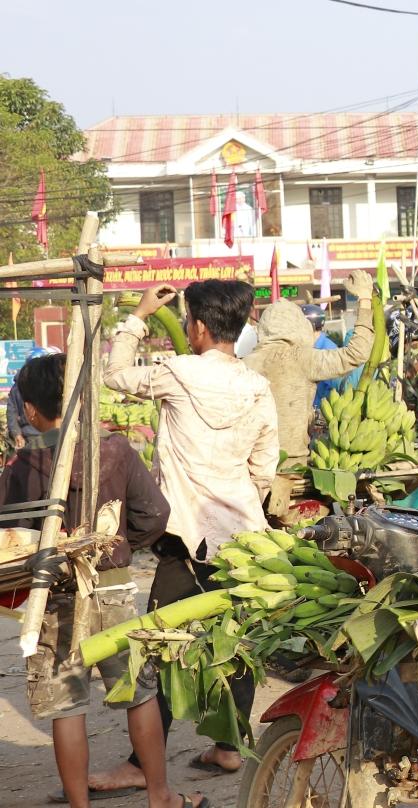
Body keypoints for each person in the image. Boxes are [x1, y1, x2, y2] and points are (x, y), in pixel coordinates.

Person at [3, 355, 200, 808]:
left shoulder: (23, 467)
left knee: (66, 707)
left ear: (31, 410)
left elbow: (9, 537)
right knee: (137, 694)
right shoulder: (115, 450)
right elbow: (155, 514)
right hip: (113, 586)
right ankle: (159, 795)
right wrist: (118, 547)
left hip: (52, 597)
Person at [102, 279, 279, 779]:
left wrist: (139, 316)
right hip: (242, 537)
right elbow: (265, 466)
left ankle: (143, 763)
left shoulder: (176, 374)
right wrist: (241, 509)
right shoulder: (256, 386)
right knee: (235, 641)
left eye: (187, 320)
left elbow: (114, 376)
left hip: (183, 539)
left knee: (159, 644)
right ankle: (228, 746)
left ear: (198, 327)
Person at [245, 271, 376, 466]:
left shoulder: (245, 363)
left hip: (251, 464)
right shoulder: (304, 358)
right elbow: (356, 353)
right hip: (292, 462)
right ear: (300, 326)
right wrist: (365, 300)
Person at [7, 345, 60, 449]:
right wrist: (16, 433)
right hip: (31, 436)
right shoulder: (18, 387)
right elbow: (11, 411)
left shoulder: (55, 384)